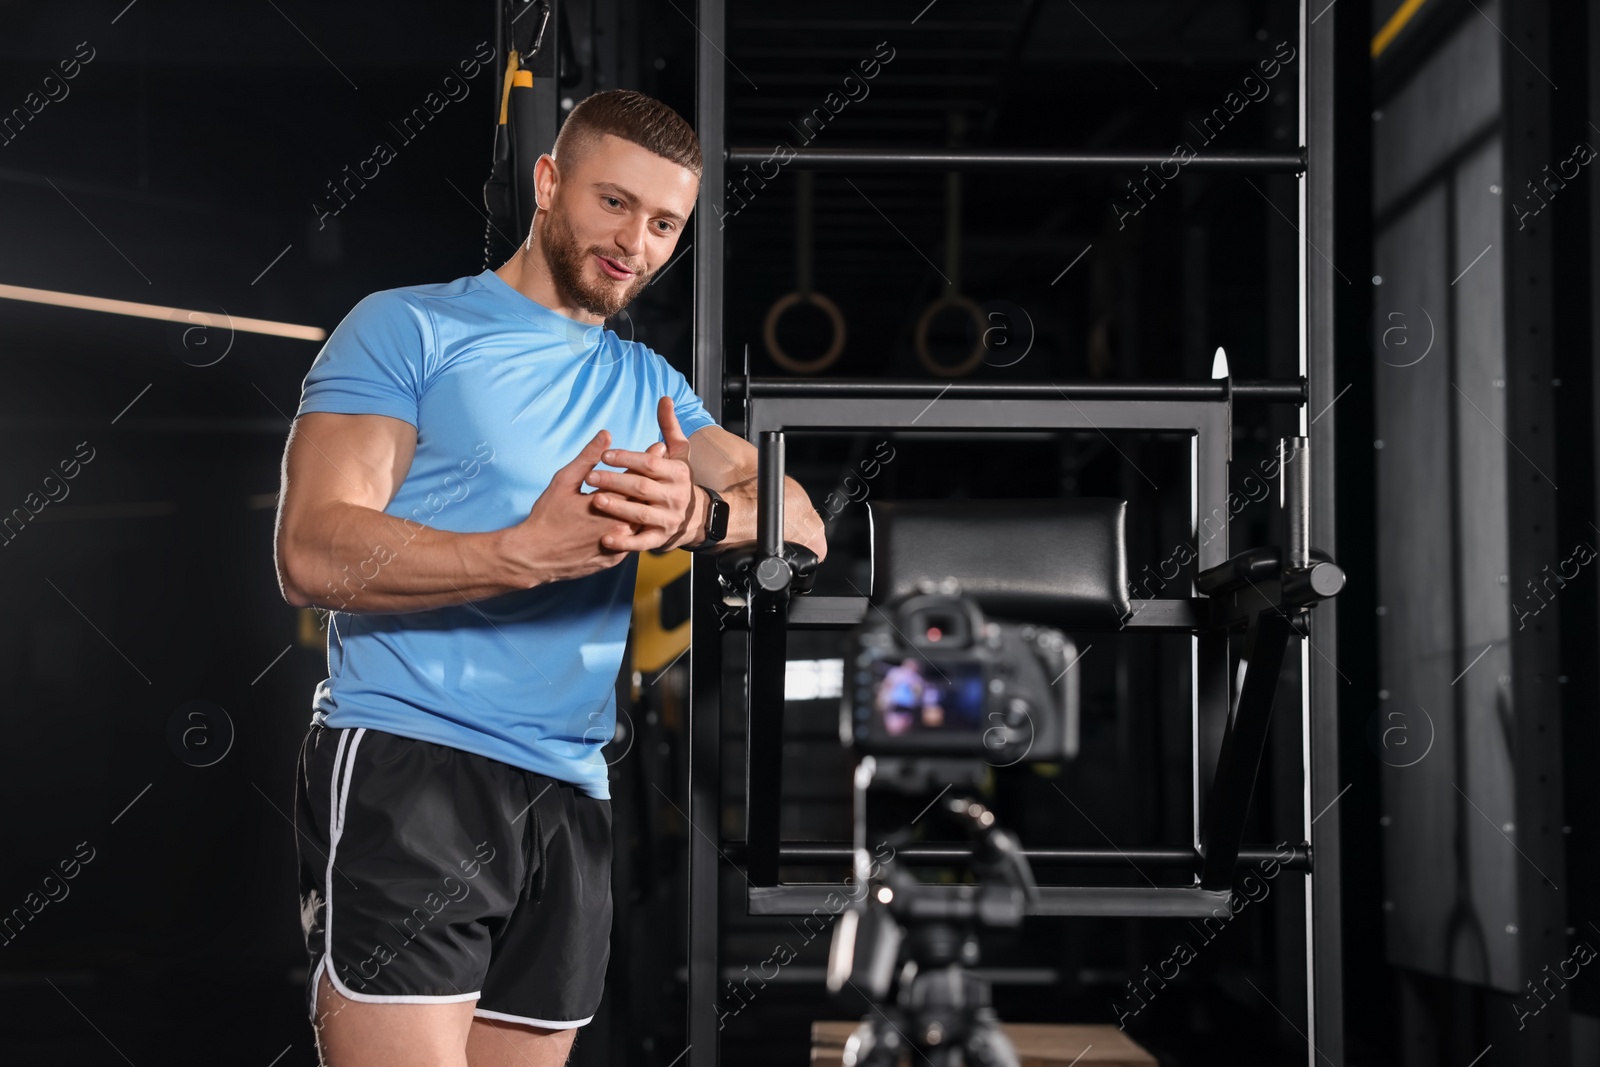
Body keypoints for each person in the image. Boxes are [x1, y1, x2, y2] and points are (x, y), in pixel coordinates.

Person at [273, 88, 828, 1067]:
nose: (637, 242)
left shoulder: (652, 385)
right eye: (615, 203)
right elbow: (312, 550)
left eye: (664, 223)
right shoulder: (407, 329)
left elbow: (799, 520)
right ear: (547, 181)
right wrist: (521, 551)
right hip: (415, 759)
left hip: (568, 784)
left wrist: (697, 517)